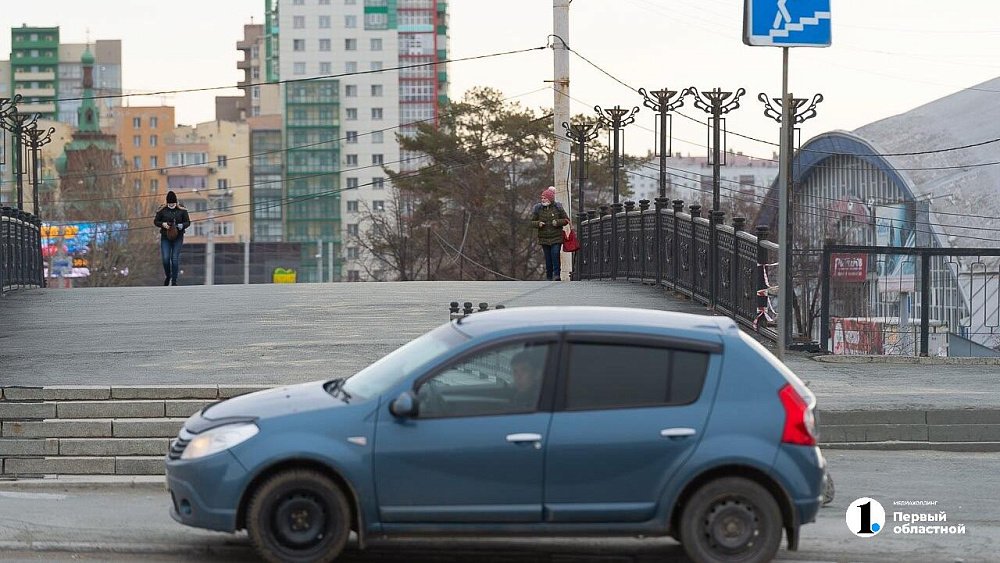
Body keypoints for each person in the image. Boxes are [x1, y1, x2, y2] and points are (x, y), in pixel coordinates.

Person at [530, 186, 569, 281]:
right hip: (544, 238)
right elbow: (531, 222)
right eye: (542, 198)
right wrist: (538, 224)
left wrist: (557, 222)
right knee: (548, 258)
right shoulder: (538, 209)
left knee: (555, 254)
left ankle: (557, 275)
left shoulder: (558, 207)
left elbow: (566, 220)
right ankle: (549, 276)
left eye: (545, 198)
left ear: (550, 199)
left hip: (556, 237)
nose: (543, 200)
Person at [153, 191, 191, 286]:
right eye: (169, 204)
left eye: (173, 204)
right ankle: (168, 275)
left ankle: (174, 280)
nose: (171, 205)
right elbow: (156, 221)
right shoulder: (162, 210)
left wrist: (181, 225)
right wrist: (163, 224)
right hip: (165, 237)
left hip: (178, 237)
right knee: (165, 258)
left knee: (174, 258)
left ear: (176, 202)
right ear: (167, 203)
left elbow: (188, 222)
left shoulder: (182, 210)